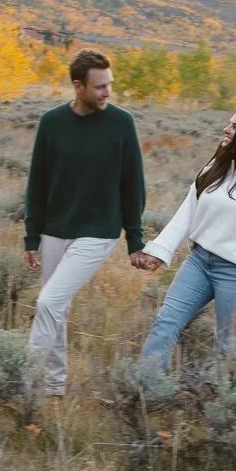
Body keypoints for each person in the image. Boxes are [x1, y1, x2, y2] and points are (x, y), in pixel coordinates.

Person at [134, 109, 236, 376]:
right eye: (228, 124)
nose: (226, 130)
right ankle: (144, 389)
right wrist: (159, 252)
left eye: (233, 127)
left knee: (229, 343)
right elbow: (186, 214)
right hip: (199, 262)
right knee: (165, 323)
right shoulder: (214, 169)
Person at [24, 49, 151, 397]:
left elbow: (133, 183)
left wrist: (134, 240)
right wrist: (31, 237)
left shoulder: (121, 123)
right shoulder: (52, 122)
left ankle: (22, 382)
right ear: (78, 86)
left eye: (109, 85)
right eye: (99, 87)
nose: (107, 93)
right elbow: (37, 182)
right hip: (54, 230)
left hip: (98, 232)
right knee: (57, 308)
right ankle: (53, 386)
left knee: (49, 303)